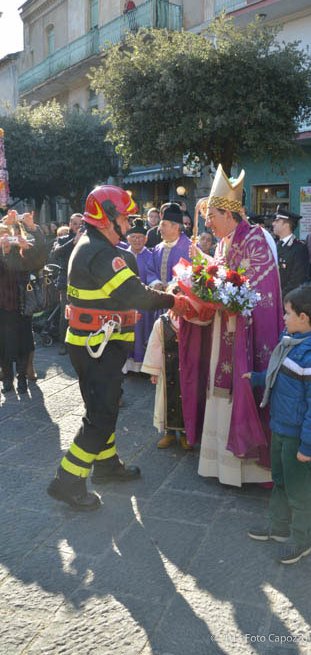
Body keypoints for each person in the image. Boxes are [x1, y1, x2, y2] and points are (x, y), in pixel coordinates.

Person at [46, 185, 189, 512]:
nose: (127, 225)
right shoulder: (101, 253)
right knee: (102, 415)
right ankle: (67, 481)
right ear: (106, 217)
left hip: (93, 344)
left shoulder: (93, 246)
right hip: (99, 348)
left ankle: (107, 466)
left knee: (102, 406)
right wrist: (173, 300)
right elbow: (134, 295)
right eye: (123, 218)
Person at [179, 164, 283, 486]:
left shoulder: (257, 241)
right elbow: (222, 275)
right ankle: (220, 464)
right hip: (223, 330)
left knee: (239, 387)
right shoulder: (224, 242)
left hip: (245, 335)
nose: (208, 223)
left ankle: (249, 471)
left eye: (212, 216)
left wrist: (223, 293)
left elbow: (263, 294)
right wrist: (201, 271)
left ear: (229, 213)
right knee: (218, 389)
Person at [244, 285, 311, 564]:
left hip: (297, 435)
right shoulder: (293, 340)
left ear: (304, 317)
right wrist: (258, 378)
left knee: (299, 489)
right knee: (281, 480)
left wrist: (308, 446)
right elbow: (280, 374)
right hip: (282, 425)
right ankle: (279, 526)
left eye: (288, 313)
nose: (283, 318)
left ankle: (301, 539)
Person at [0, 211, 47, 394]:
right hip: (3, 307)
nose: (7, 239)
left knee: (23, 344)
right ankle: (7, 380)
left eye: (8, 236)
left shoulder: (23, 251)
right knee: (4, 344)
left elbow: (42, 255)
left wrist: (32, 228)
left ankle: (21, 379)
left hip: (22, 305)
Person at [142, 287, 193, 451]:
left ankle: (186, 434)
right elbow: (155, 346)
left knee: (186, 401)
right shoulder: (161, 323)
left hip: (187, 371)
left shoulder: (192, 321)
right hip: (167, 369)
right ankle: (169, 433)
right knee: (167, 401)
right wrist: (154, 370)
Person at [146, 202, 192, 329]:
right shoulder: (158, 248)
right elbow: (150, 270)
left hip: (180, 306)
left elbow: (191, 275)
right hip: (159, 304)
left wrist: (172, 285)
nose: (159, 229)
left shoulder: (189, 248)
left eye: (163, 225)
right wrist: (155, 283)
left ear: (176, 226)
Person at [122, 218, 154, 374]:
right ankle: (127, 366)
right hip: (126, 303)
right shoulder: (121, 256)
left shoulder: (151, 256)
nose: (137, 240)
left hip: (144, 304)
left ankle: (143, 367)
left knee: (144, 332)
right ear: (128, 239)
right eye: (133, 237)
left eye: (140, 237)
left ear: (145, 239)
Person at [50, 213, 83, 355]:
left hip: (84, 281)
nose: (77, 227)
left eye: (80, 224)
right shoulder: (62, 239)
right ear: (70, 225)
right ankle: (64, 342)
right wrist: (74, 241)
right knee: (66, 313)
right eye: (75, 224)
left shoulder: (89, 239)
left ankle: (80, 342)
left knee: (82, 313)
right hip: (66, 282)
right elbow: (56, 254)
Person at [273, 207, 308, 300]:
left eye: (277, 221)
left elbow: (296, 280)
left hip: (287, 300)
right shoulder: (276, 245)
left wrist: (279, 297)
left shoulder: (299, 248)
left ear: (286, 225)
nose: (273, 224)